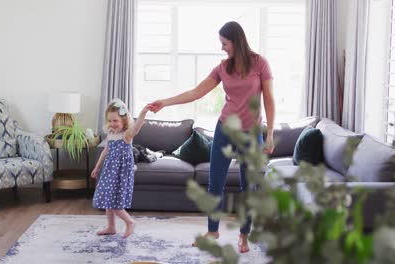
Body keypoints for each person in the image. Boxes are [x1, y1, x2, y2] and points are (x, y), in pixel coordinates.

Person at [149, 21, 275, 253]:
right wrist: (164, 102)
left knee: (249, 187)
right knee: (215, 182)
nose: (222, 48)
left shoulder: (260, 64)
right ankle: (212, 230)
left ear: (236, 41)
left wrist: (270, 135)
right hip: (225, 130)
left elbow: (268, 99)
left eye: (224, 43)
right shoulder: (222, 68)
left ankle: (244, 235)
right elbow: (196, 92)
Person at [91, 98, 150, 238]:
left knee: (115, 202)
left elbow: (136, 128)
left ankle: (130, 222)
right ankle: (111, 227)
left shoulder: (126, 135)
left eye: (115, 121)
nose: (112, 124)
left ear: (124, 120)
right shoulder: (111, 133)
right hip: (109, 170)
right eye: (110, 121)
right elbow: (106, 150)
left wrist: (142, 113)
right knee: (107, 198)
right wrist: (97, 167)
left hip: (121, 173)